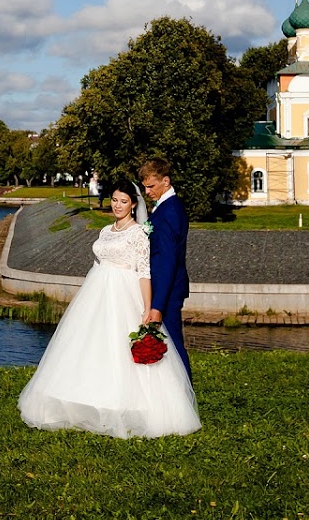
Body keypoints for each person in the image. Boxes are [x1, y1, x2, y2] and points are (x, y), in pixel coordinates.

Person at [18, 184, 200, 438]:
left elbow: (144, 272)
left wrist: (148, 308)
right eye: (114, 200)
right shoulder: (105, 230)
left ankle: (126, 405)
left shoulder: (138, 234)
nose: (117, 205)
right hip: (96, 292)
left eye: (123, 201)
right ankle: (84, 397)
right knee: (89, 345)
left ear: (133, 205)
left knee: (120, 347)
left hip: (123, 292)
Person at [140, 157, 192, 376]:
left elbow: (166, 261)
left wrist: (157, 306)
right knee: (168, 344)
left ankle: (185, 393)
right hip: (166, 288)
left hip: (167, 291)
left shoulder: (168, 213)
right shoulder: (168, 206)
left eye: (151, 186)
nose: (148, 192)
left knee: (174, 346)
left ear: (166, 181)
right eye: (145, 187)